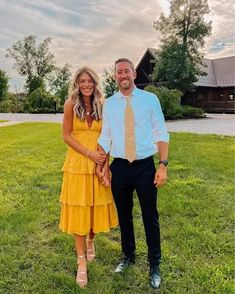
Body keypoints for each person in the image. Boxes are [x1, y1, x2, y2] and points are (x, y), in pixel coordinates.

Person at [97, 58, 169, 289]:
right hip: (120, 167)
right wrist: (103, 165)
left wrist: (163, 165)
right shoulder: (109, 104)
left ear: (134, 74)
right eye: (119, 72)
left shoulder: (150, 100)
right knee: (124, 215)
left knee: (150, 216)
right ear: (115, 76)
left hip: (145, 166)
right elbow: (106, 135)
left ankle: (154, 264)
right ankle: (128, 256)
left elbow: (161, 132)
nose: (123, 75)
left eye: (126, 71)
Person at [59, 66, 118, 288]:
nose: (86, 85)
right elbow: (66, 136)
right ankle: (81, 260)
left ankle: (91, 241)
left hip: (100, 161)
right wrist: (89, 154)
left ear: (95, 83)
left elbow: (109, 135)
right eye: (82, 81)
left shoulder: (103, 106)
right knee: (78, 208)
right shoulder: (70, 106)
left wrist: (105, 164)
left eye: (90, 81)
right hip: (77, 163)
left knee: (95, 206)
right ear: (77, 83)